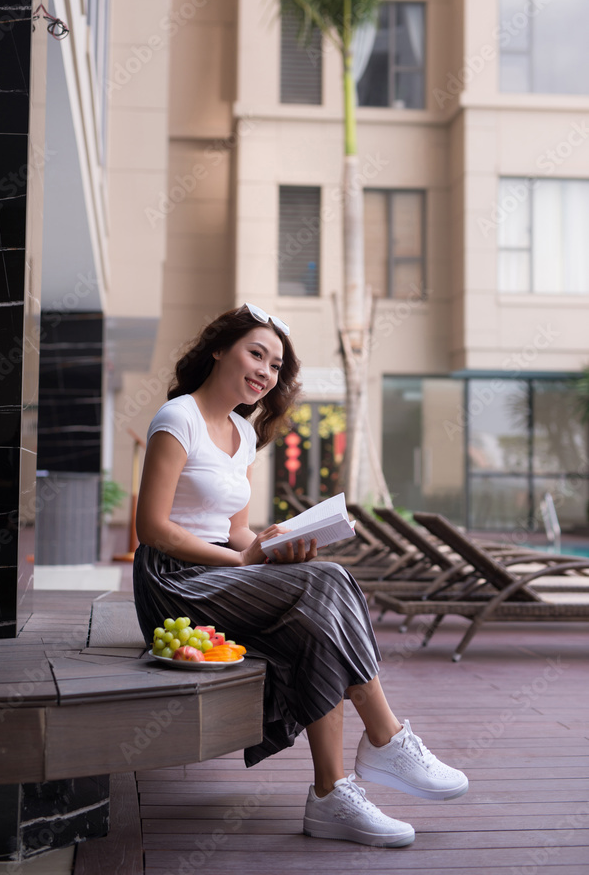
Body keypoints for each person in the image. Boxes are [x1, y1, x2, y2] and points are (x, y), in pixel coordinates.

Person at [133, 303, 468, 849]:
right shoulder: (178, 418)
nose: (265, 371)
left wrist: (275, 547)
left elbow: (236, 531)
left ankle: (331, 795)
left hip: (223, 573)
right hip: (176, 582)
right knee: (327, 584)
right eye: (255, 353)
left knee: (318, 596)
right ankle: (384, 740)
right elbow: (153, 529)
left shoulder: (241, 433)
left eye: (275, 365)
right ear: (219, 349)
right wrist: (243, 562)